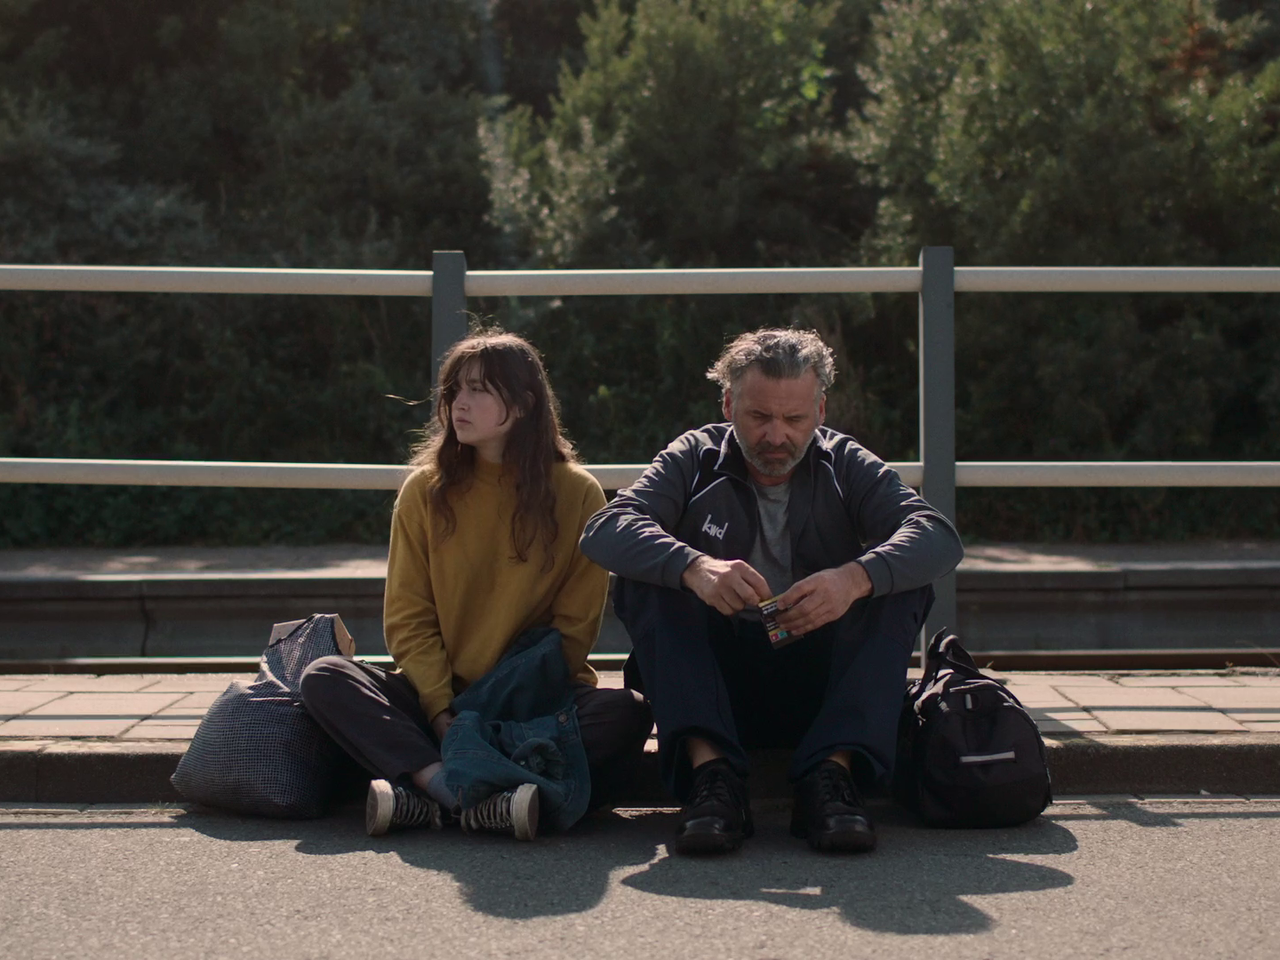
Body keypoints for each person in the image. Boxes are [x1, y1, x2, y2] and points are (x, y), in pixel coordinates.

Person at [579, 328, 963, 855]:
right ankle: (713, 779)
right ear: (728, 404)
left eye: (794, 419)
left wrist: (852, 578)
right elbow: (606, 529)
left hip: (817, 684)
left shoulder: (846, 462)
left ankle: (832, 778)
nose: (776, 436)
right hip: (715, 685)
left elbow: (938, 537)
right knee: (648, 578)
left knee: (897, 584)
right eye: (759, 417)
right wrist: (695, 567)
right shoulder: (692, 456)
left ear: (820, 411)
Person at [301, 330, 651, 840]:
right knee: (326, 677)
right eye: (453, 391)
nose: (458, 403)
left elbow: (574, 631)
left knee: (628, 712)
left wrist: (487, 713)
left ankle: (425, 792)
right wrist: (441, 710)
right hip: (438, 700)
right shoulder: (424, 491)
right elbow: (408, 617)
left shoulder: (577, 492)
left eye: (478, 390)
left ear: (524, 404)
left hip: (531, 702)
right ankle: (463, 791)